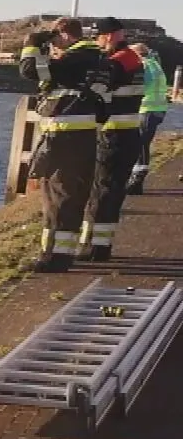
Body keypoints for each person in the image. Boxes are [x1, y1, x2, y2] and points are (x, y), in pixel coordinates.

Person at [20, 18, 114, 271]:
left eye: (54, 41)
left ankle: (55, 258)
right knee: (71, 195)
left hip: (64, 136)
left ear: (64, 35)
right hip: (83, 136)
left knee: (59, 196)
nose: (53, 48)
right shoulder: (100, 61)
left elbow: (30, 70)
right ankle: (58, 253)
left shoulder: (76, 58)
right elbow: (105, 106)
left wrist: (31, 45)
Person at [81, 19, 146, 259]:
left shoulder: (115, 63)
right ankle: (101, 245)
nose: (97, 42)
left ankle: (92, 247)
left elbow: (95, 96)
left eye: (97, 37)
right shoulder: (133, 59)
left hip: (113, 134)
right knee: (113, 191)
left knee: (101, 191)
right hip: (129, 133)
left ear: (108, 36)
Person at [129, 41, 170, 195]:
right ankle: (136, 178)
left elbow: (142, 86)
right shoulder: (155, 64)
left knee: (140, 143)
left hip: (147, 109)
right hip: (158, 109)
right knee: (142, 143)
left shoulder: (144, 65)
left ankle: (137, 180)